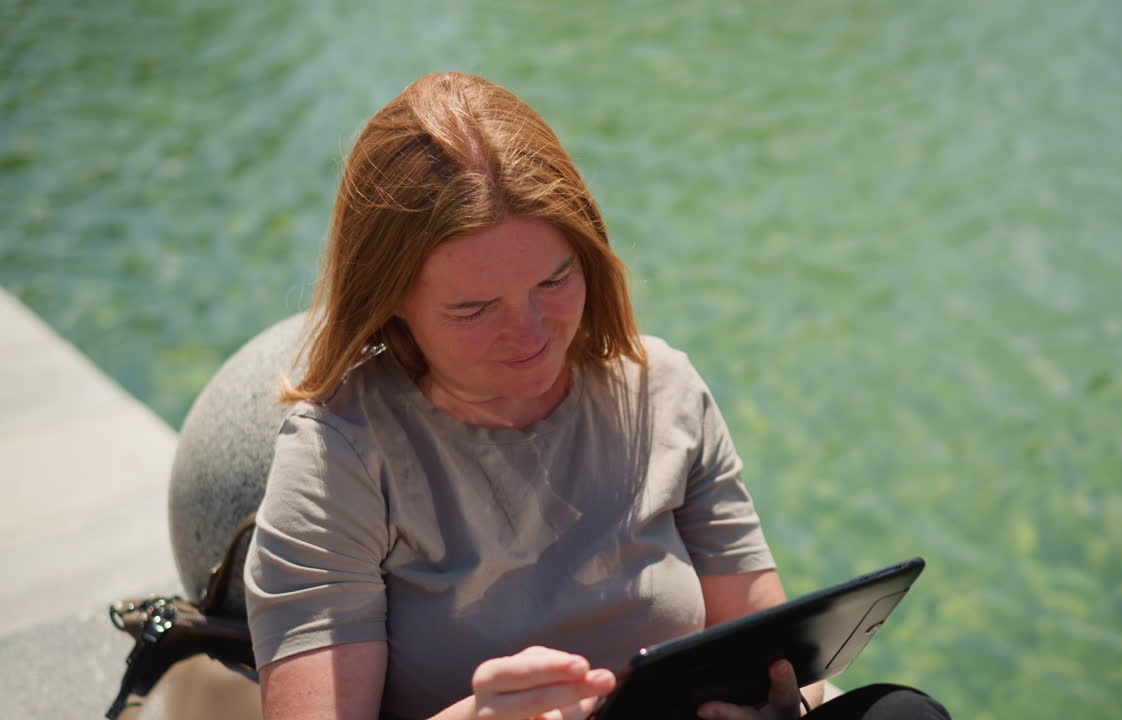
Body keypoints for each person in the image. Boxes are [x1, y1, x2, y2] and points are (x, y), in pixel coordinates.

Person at [244, 71, 949, 720]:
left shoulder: (662, 391)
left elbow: (783, 654)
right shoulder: (341, 454)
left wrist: (776, 702)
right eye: (474, 309)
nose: (529, 333)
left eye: (553, 282)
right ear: (391, 302)